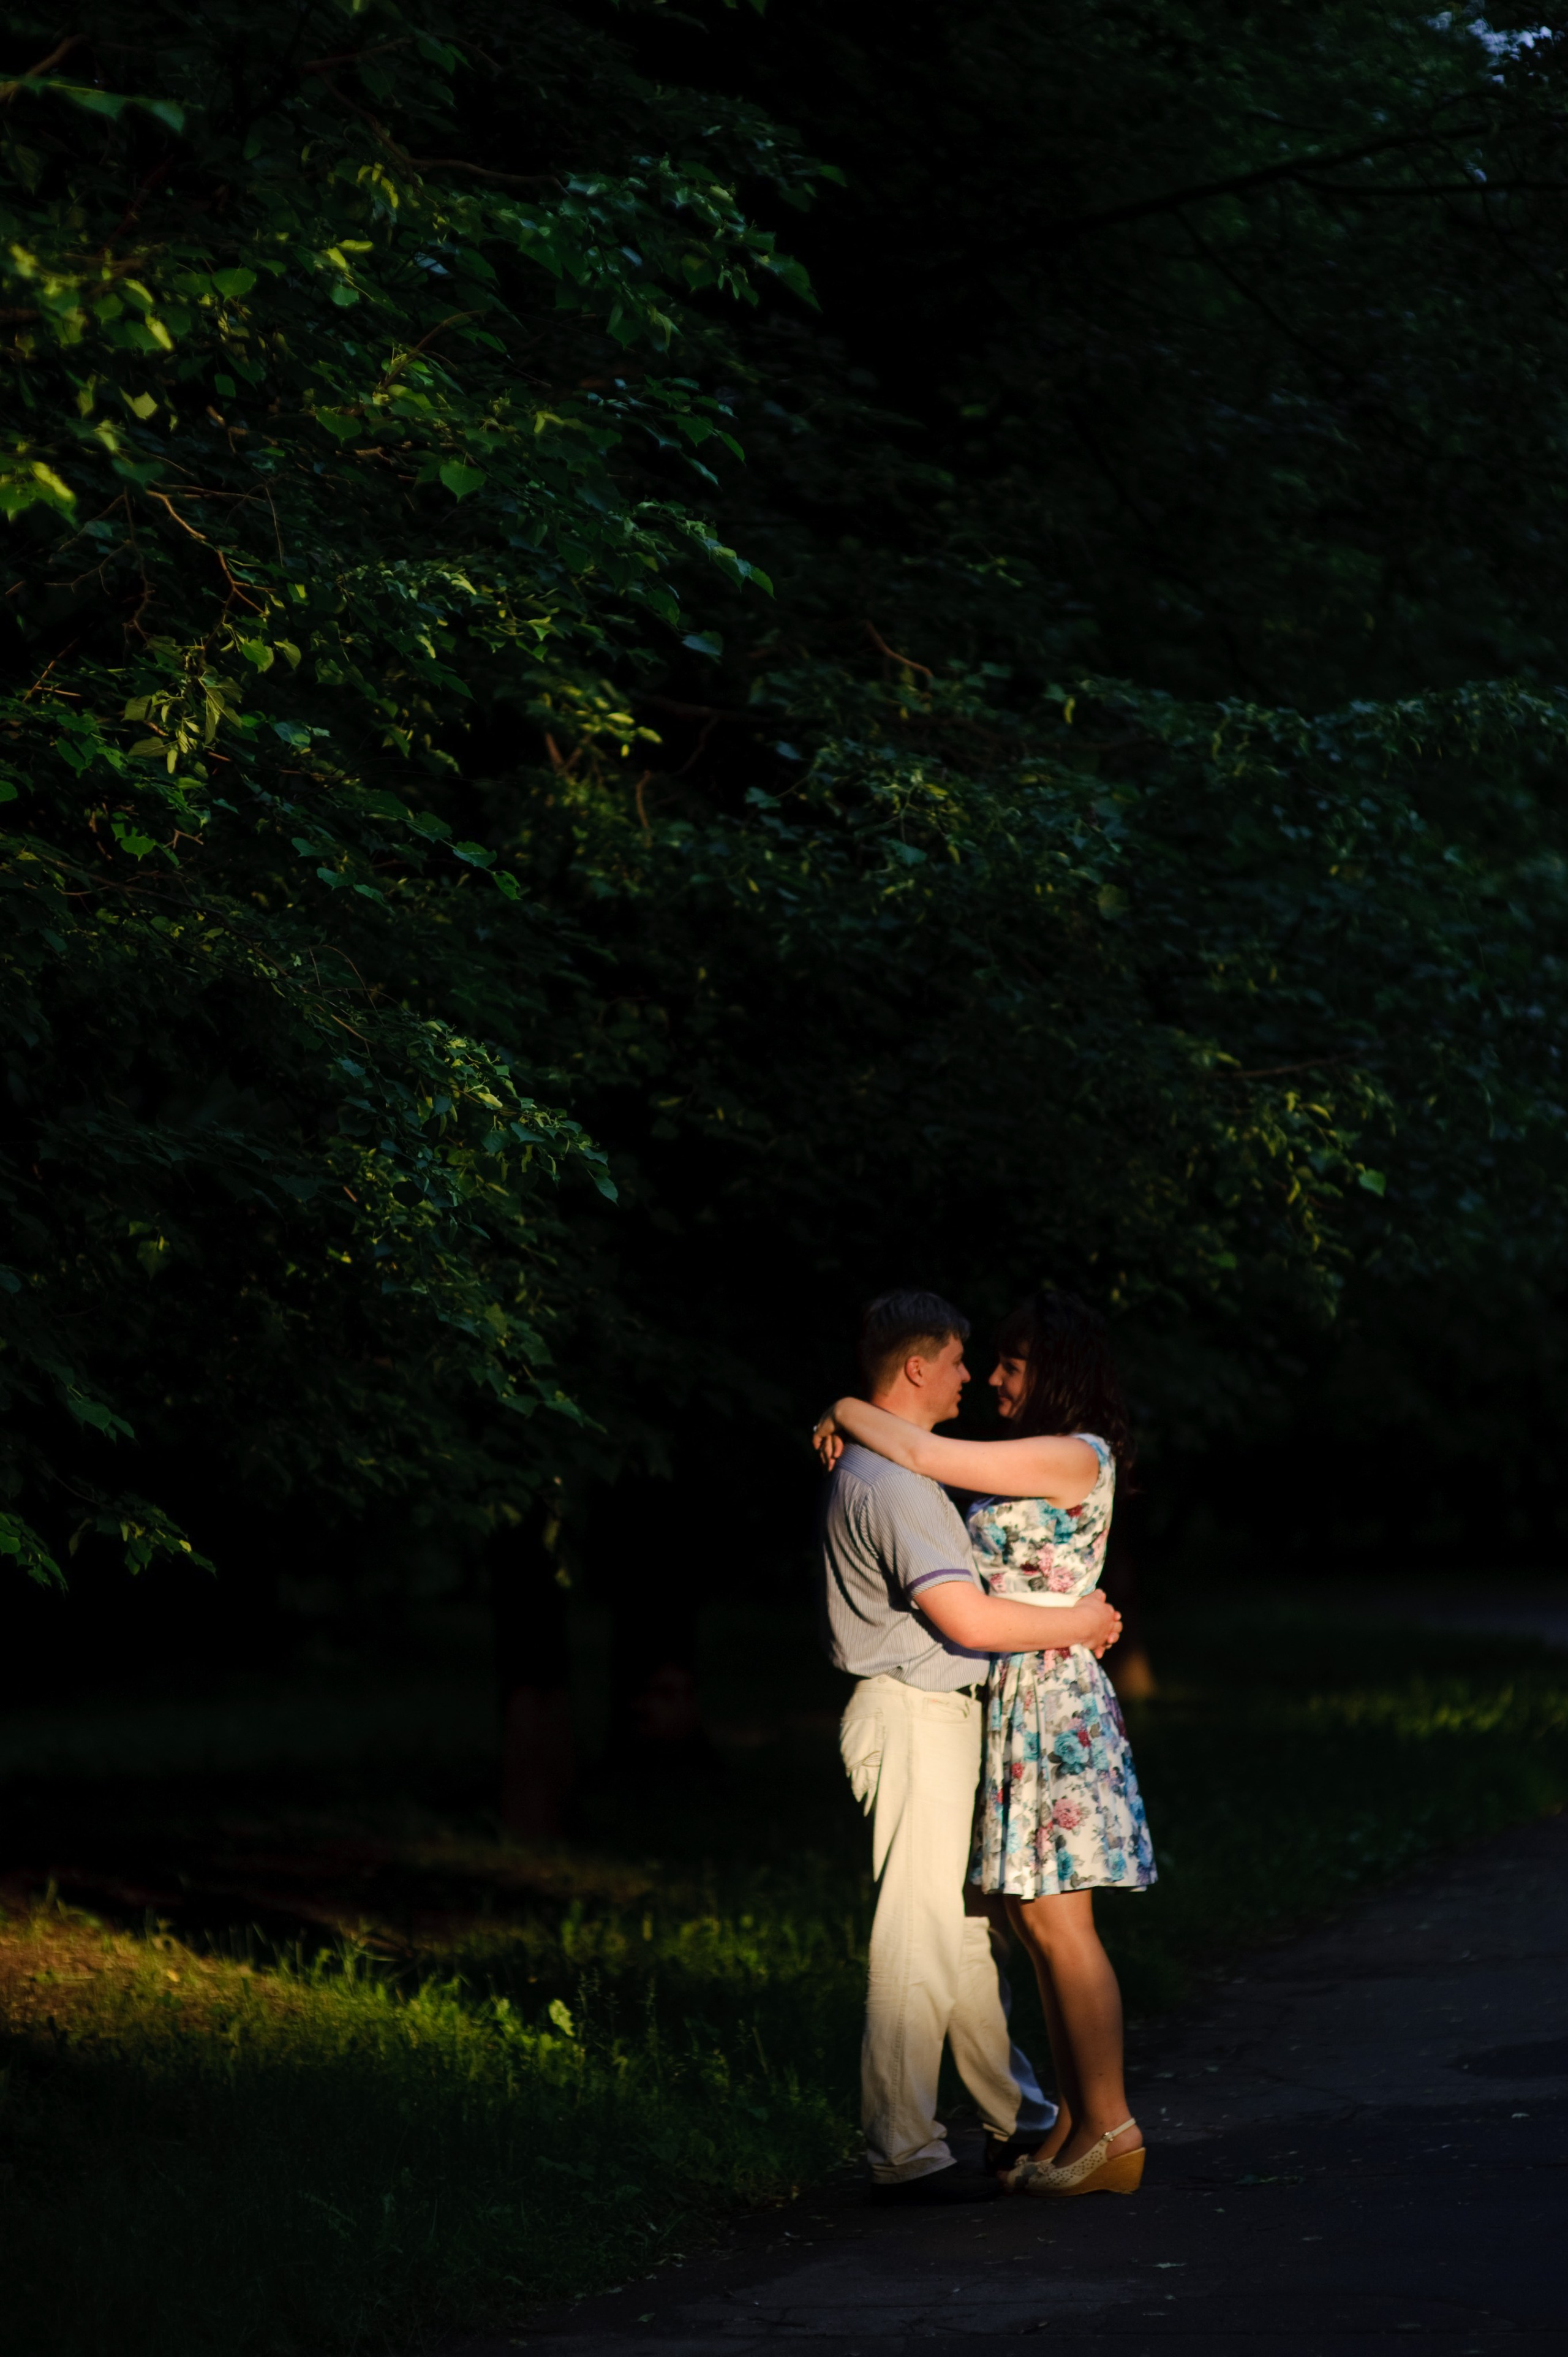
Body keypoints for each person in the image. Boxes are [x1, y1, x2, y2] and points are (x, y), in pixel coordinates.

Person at [816, 1286, 1155, 2201]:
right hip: (1011, 1694)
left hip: (1047, 1699)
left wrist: (845, 1409)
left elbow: (922, 1450)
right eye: (983, 1361)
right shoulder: (1008, 1458)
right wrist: (1072, 1613)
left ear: (1057, 1373)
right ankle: (1072, 2125)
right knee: (1020, 1920)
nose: (992, 1378)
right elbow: (920, 1461)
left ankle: (1109, 2126)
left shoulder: (1068, 1451)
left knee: (1056, 1922)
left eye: (1010, 1363)